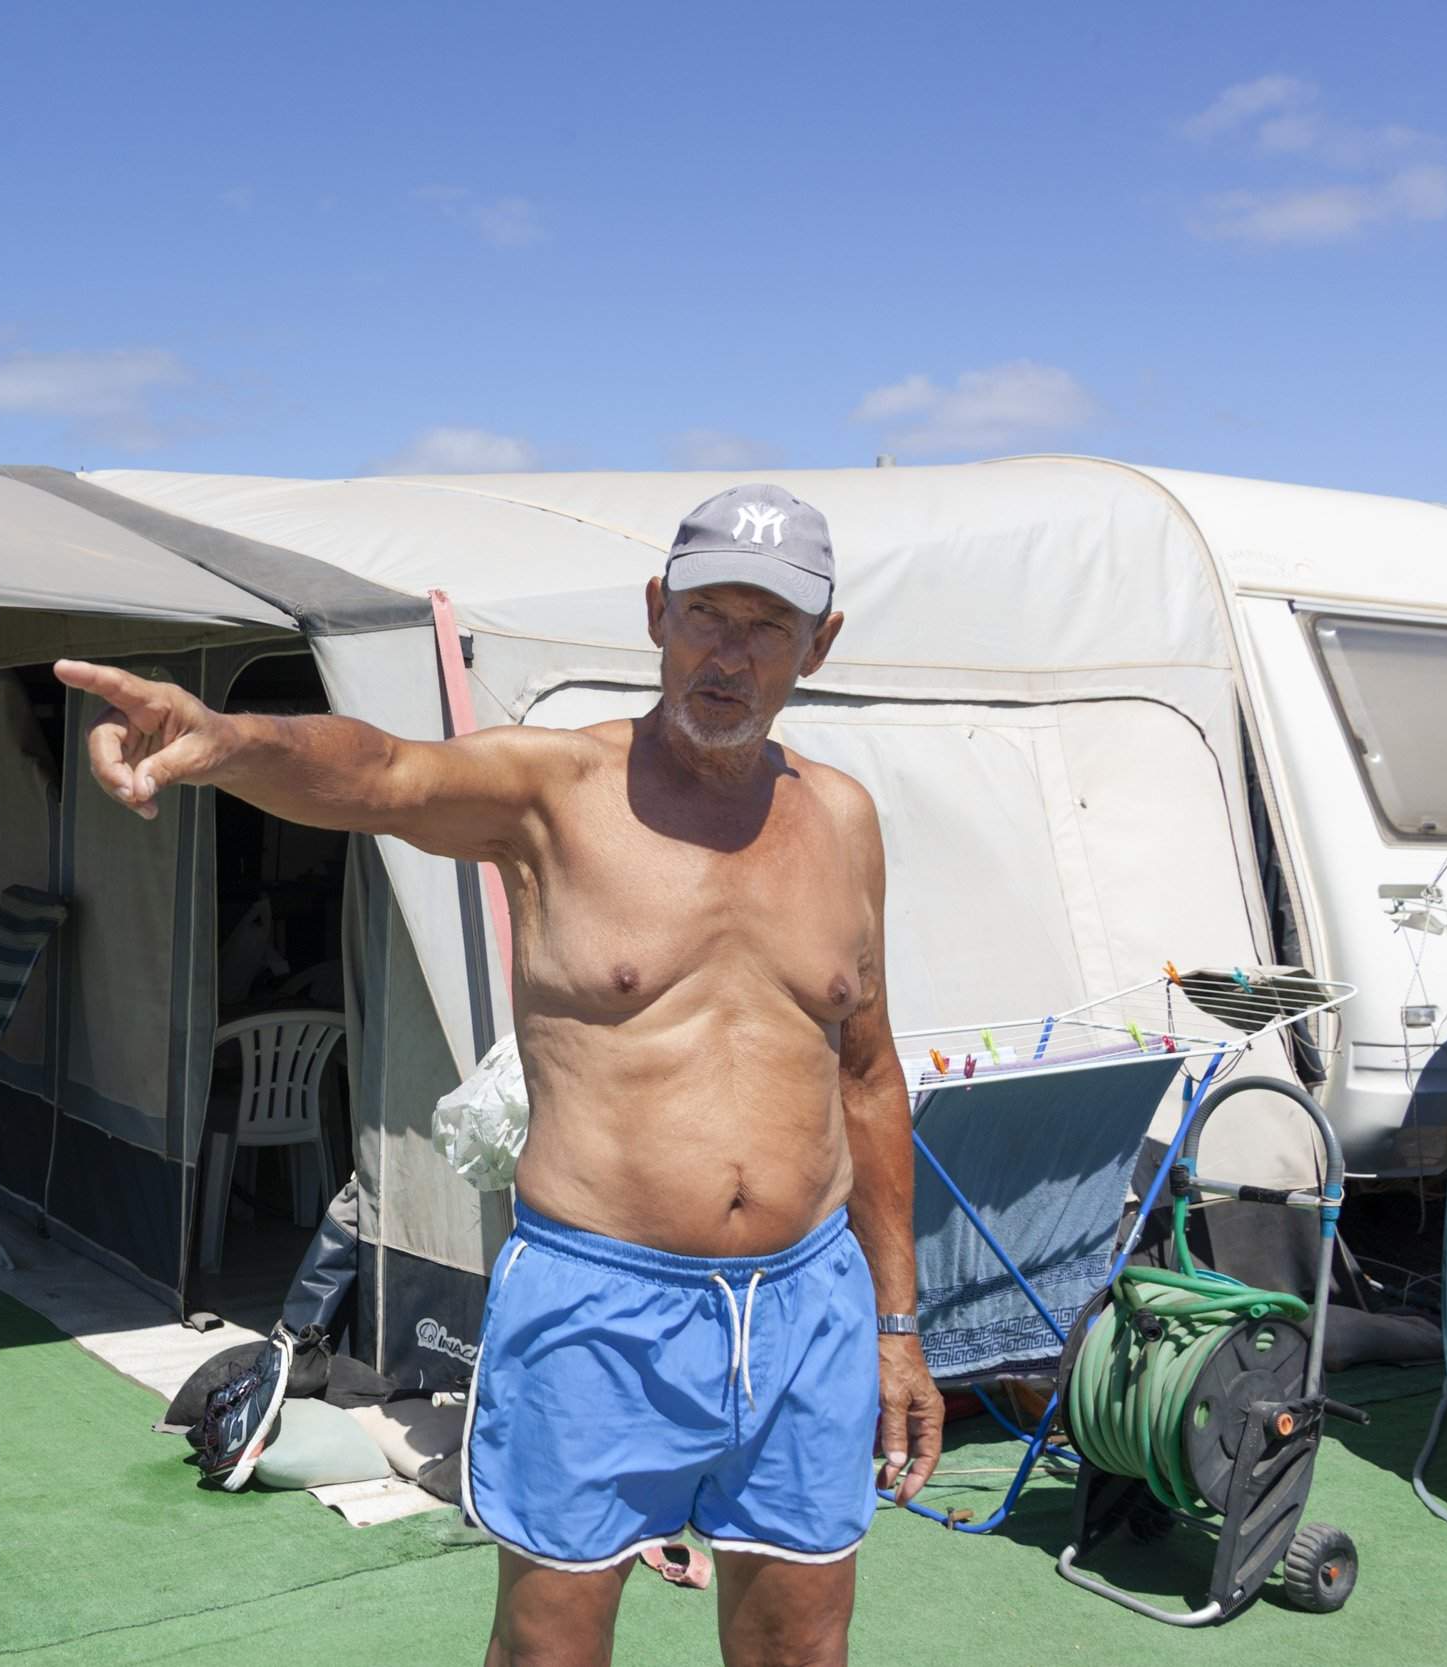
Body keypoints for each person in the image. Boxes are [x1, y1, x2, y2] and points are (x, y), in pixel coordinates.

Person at [56, 484, 940, 1667]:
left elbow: (869, 1075)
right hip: (597, 1300)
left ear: (818, 645)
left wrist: (895, 1324)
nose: (725, 653)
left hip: (805, 1302)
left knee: (800, 1648)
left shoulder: (842, 818)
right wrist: (233, 742)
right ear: (654, 613)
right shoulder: (554, 791)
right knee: (547, 1649)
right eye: (703, 614)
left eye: (765, 625)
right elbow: (381, 772)